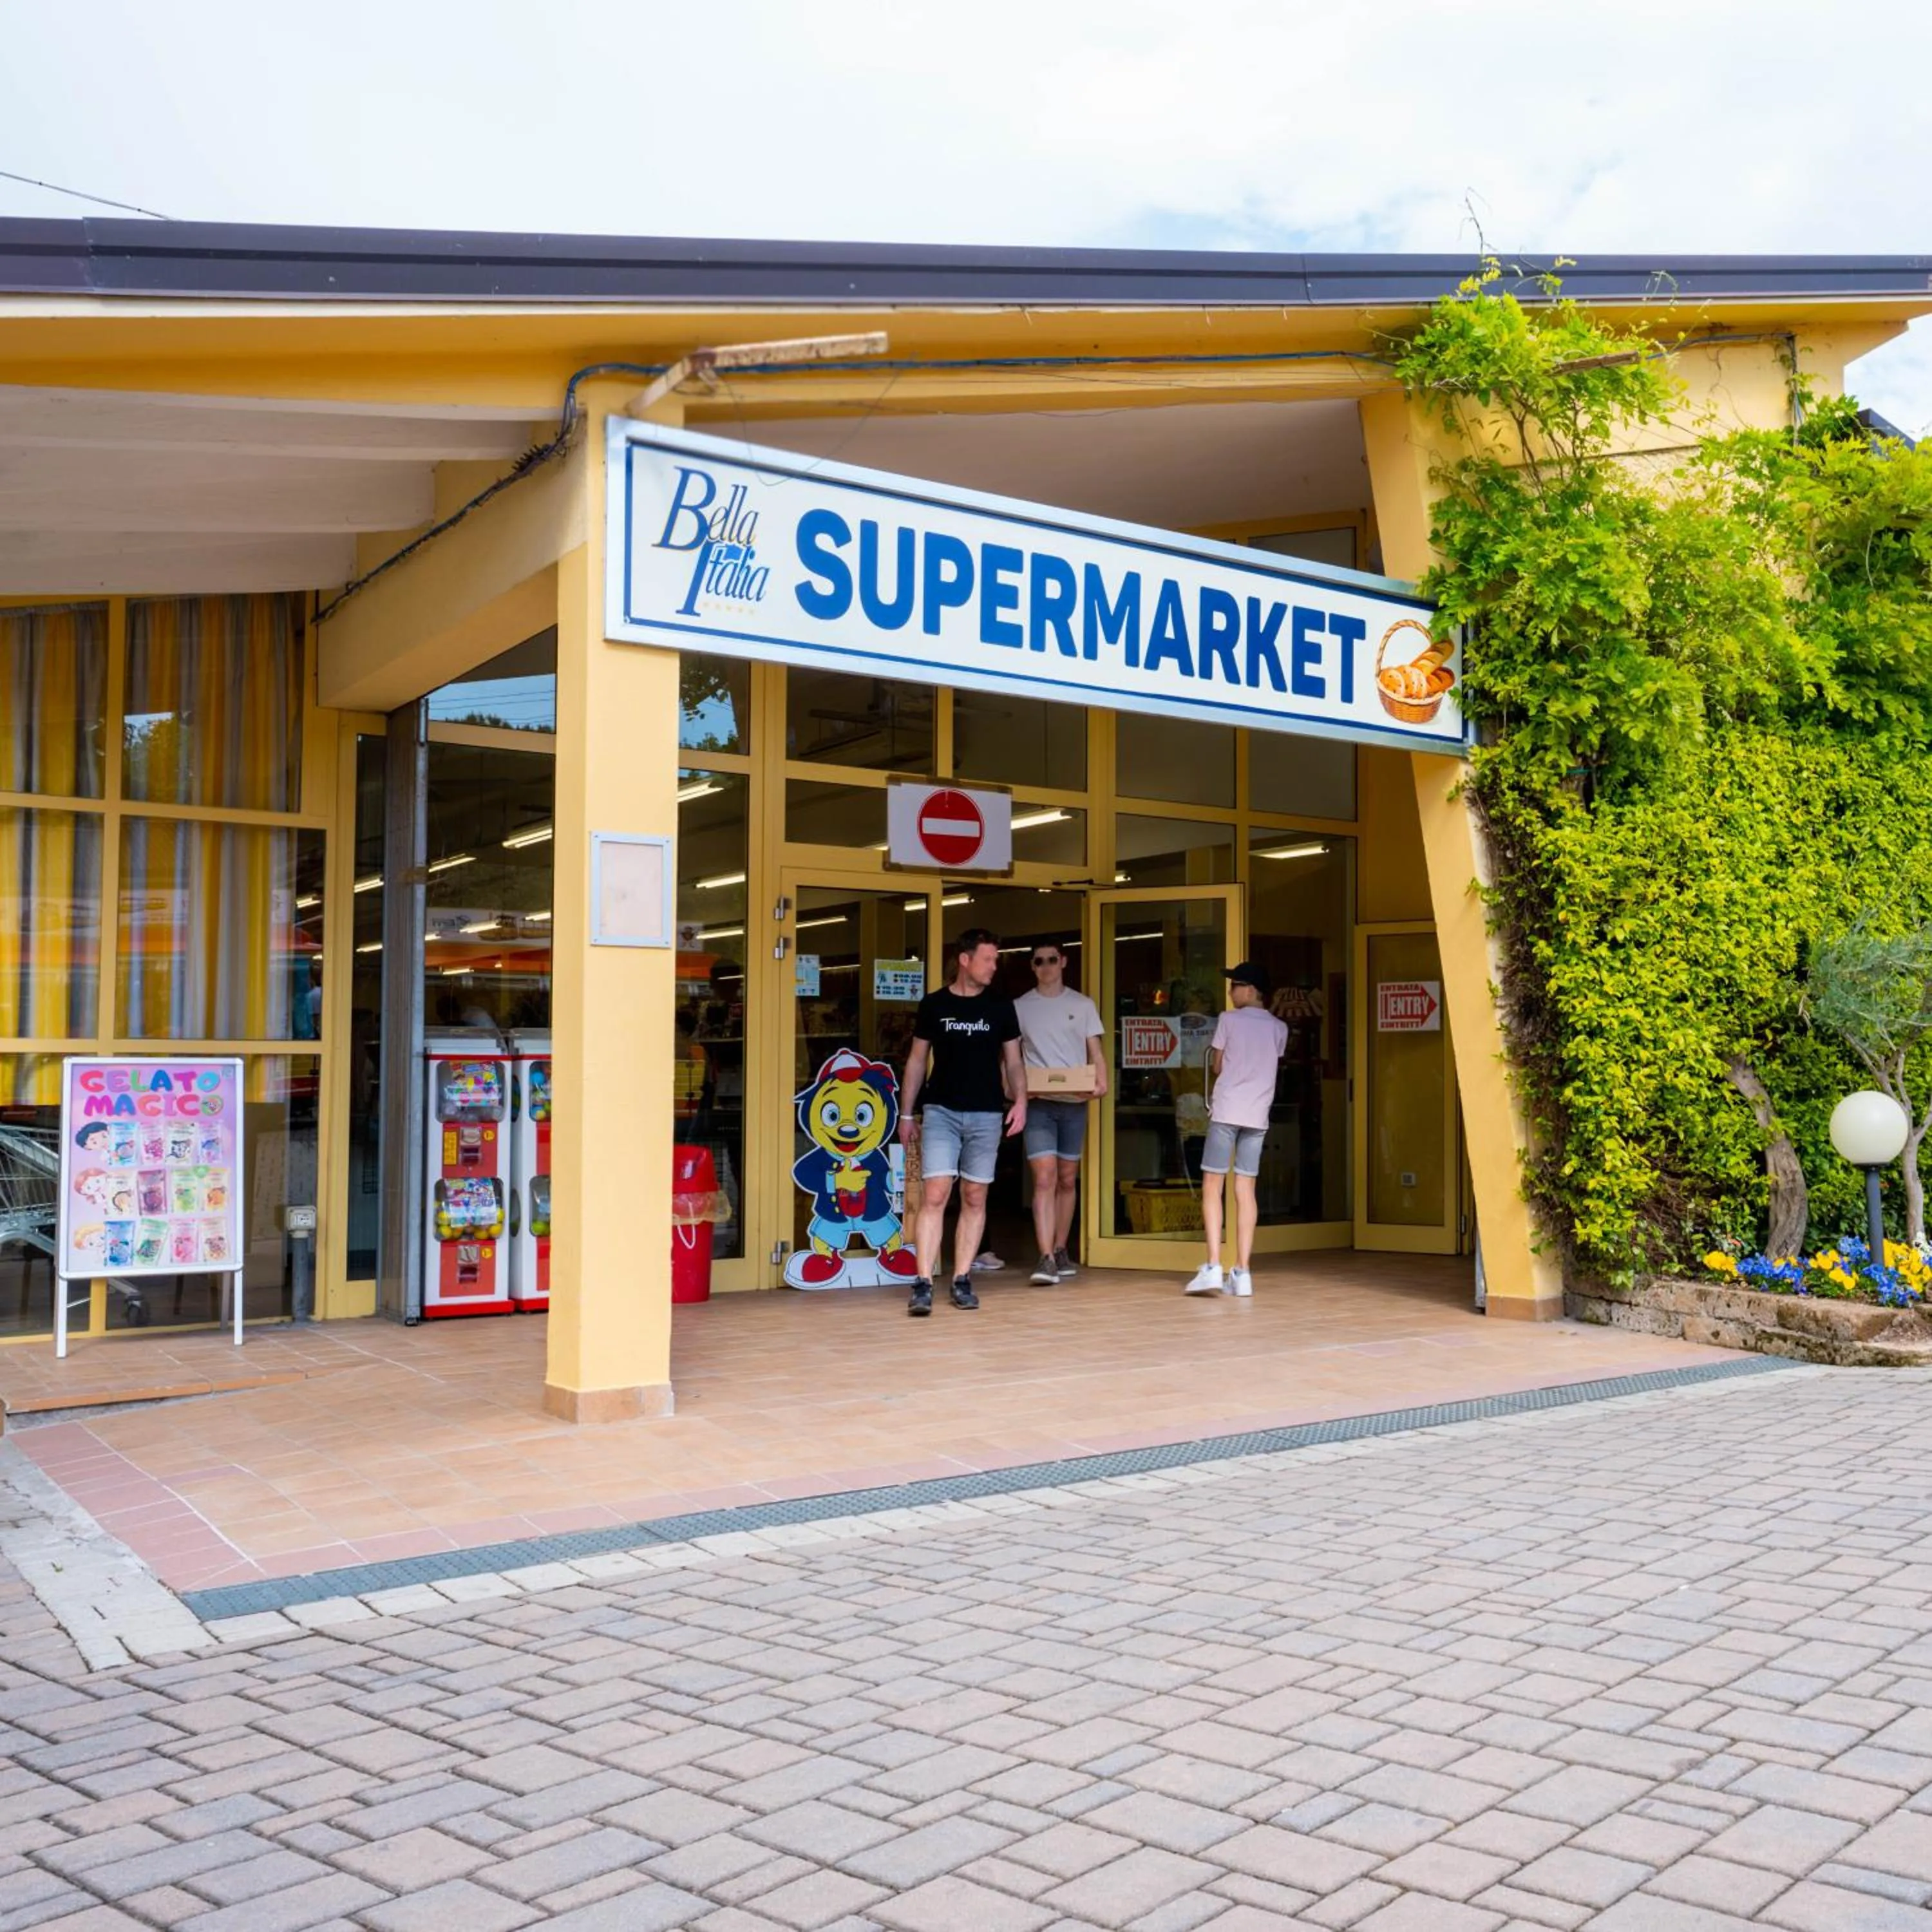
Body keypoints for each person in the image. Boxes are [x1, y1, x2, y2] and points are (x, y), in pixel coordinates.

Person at [899, 928, 1026, 1316]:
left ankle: (962, 1279)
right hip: (941, 1111)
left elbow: (1014, 1061)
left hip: (987, 1114)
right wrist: (907, 1113)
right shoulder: (934, 1005)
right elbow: (918, 1060)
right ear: (965, 960)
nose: (993, 967)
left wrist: (1020, 1099)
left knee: (975, 1196)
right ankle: (923, 1282)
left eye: (995, 960)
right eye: (988, 959)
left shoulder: (1001, 1007)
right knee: (936, 1193)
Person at [1186, 961, 1288, 1300]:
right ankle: (1242, 1272)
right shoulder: (1279, 1028)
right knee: (1246, 1190)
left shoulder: (1228, 1021)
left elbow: (1216, 1064)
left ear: (1250, 990)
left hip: (1227, 1111)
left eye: (1234, 986)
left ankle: (1214, 1265)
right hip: (1257, 1117)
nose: (1230, 993)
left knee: (1213, 1185)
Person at [1014, 942, 1107, 1284]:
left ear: (1063, 962)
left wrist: (1102, 1081)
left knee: (1068, 1178)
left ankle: (1061, 1246)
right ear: (1033, 966)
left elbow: (1095, 1050)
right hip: (1038, 1102)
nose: (1046, 966)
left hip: (1074, 1104)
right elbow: (1009, 1057)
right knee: (1044, 1177)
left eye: (1052, 960)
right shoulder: (1021, 1007)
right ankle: (1045, 1257)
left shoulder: (1082, 1005)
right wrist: (1015, 1091)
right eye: (1039, 961)